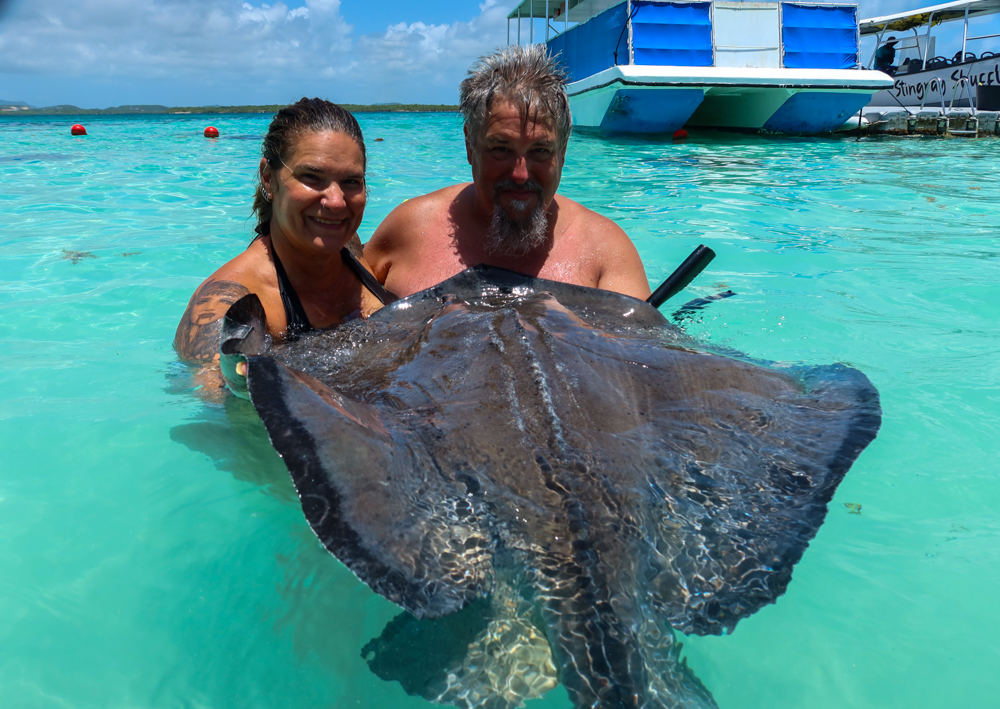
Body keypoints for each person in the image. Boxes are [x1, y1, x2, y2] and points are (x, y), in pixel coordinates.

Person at [363, 45, 651, 301]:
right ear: (469, 146)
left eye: (540, 150)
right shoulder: (410, 229)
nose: (520, 174)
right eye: (501, 149)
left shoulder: (605, 251)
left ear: (562, 152)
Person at [174, 98, 391, 369]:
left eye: (351, 181)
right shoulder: (228, 305)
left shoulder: (349, 245)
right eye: (311, 176)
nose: (336, 202)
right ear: (268, 177)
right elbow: (224, 398)